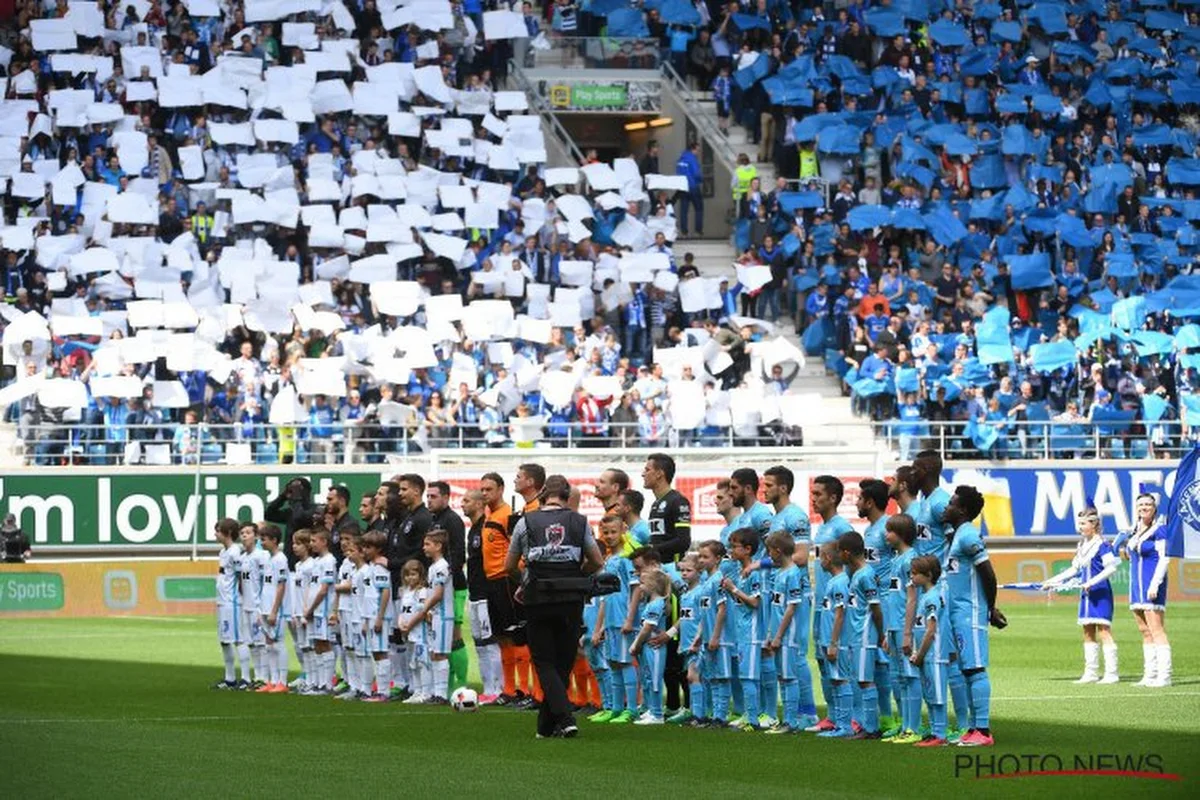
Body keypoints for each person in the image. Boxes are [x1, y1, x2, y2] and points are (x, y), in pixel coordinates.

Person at [505, 474, 605, 739]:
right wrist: (577, 576)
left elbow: (508, 566)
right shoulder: (579, 521)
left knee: (544, 661)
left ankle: (565, 718)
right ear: (567, 493)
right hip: (571, 598)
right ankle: (546, 726)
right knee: (563, 660)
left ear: (542, 494)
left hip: (538, 596)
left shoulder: (526, 521)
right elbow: (596, 560)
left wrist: (524, 582)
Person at [941, 485, 1006, 747]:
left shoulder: (968, 535)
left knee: (976, 669)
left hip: (970, 612)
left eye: (952, 503)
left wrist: (990, 608)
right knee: (967, 670)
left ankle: (984, 730)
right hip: (958, 613)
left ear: (963, 510)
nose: (947, 507)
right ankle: (972, 728)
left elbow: (988, 574)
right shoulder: (957, 535)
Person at [1043, 506, 1120, 684]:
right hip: (1086, 595)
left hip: (1099, 593)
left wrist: (1092, 583)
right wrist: (1053, 581)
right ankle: (1091, 672)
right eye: (1079, 523)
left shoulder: (1102, 544)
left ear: (1094, 524)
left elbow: (1111, 568)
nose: (1080, 527)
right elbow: (1074, 569)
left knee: (1104, 631)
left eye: (1083, 523)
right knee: (1087, 631)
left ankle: (1111, 673)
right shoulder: (1082, 545)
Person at [808, 474, 855, 732]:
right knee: (822, 659)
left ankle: (848, 718)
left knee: (838, 662)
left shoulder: (841, 528)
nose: (813, 499)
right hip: (820, 603)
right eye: (813, 494)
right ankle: (833, 715)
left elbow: (854, 560)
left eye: (818, 494)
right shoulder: (823, 529)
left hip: (835, 606)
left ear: (833, 498)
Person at [837, 531, 887, 739]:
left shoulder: (865, 575)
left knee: (866, 681)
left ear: (847, 553)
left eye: (840, 551)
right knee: (861, 680)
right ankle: (868, 726)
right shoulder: (857, 574)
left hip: (865, 635)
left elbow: (876, 608)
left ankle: (872, 729)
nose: (839, 555)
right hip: (857, 635)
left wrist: (881, 635)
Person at [1120, 492, 1172, 687]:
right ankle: (1149, 674)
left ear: (1154, 507)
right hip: (1136, 585)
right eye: (1140, 505)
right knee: (1144, 630)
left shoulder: (1160, 529)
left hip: (1151, 584)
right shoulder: (1135, 530)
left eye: (1147, 505)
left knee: (1156, 629)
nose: (1144, 508)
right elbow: (1129, 555)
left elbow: (1165, 558)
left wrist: (1155, 584)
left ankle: (1164, 675)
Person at [592, 514, 639, 725]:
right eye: (606, 532)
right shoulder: (609, 560)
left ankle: (631, 709)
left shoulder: (627, 559)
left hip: (622, 619)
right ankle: (616, 708)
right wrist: (599, 626)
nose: (609, 536)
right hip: (610, 619)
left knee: (625, 662)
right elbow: (604, 597)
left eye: (613, 532)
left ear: (623, 531)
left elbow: (636, 588)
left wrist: (630, 618)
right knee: (613, 664)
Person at [857, 478, 895, 729]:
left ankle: (899, 720)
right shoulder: (869, 531)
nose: (857, 502)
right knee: (880, 665)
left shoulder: (886, 529)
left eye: (860, 499)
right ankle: (885, 719)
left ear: (870, 502)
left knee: (888, 664)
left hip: (884, 603)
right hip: (872, 602)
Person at [883, 514, 922, 742]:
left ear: (901, 534)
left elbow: (912, 599)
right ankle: (905, 725)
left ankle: (913, 728)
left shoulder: (910, 560)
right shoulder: (897, 560)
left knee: (910, 676)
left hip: (905, 627)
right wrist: (889, 631)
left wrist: (907, 632)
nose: (886, 535)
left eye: (890, 531)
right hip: (894, 627)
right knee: (899, 678)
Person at [428, 481, 469, 693]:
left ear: (445, 497)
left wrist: (447, 582)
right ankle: (449, 681)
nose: (429, 500)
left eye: (433, 496)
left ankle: (461, 682)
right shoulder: (434, 520)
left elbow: (459, 555)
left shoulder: (452, 520)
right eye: (428, 496)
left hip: (454, 587)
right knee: (442, 636)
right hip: (440, 586)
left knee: (454, 634)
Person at [721, 527, 765, 731]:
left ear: (748, 549)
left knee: (748, 677)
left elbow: (755, 603)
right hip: (742, 630)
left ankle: (753, 719)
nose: (731, 550)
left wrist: (733, 589)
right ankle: (749, 714)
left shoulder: (754, 574)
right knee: (745, 675)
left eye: (735, 546)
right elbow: (741, 600)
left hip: (752, 632)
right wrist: (730, 591)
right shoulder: (741, 573)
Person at [463, 488, 504, 703]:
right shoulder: (473, 530)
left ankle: (498, 688)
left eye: (467, 500)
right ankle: (488, 687)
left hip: (486, 594)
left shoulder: (485, 527)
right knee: (479, 643)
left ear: (479, 504)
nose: (462, 504)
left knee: (490, 642)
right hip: (475, 594)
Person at [763, 532, 805, 734]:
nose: (768, 555)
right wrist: (771, 634)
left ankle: (791, 721)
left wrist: (779, 635)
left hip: (788, 635)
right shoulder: (780, 573)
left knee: (789, 677)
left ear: (778, 551)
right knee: (782, 676)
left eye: (769, 550)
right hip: (779, 633)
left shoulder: (793, 573)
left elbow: (791, 607)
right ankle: (787, 720)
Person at [909, 554, 951, 747]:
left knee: (937, 696)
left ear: (928, 575)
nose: (912, 577)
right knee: (930, 694)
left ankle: (940, 734)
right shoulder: (925, 596)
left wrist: (921, 653)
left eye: (915, 573)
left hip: (934, 655)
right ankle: (935, 731)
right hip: (927, 656)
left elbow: (931, 630)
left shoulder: (932, 597)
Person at [819, 541, 853, 738]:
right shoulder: (833, 581)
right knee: (835, 681)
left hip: (837, 642)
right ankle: (839, 724)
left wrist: (833, 642)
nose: (819, 560)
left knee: (841, 681)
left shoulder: (840, 582)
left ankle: (845, 726)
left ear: (828, 558)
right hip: (828, 639)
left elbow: (840, 614)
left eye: (821, 555)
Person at [629, 569, 671, 725]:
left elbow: (647, 628)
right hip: (647, 646)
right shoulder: (650, 603)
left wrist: (635, 644)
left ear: (653, 585)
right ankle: (652, 709)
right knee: (647, 678)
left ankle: (657, 714)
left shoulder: (657, 603)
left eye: (643, 583)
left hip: (654, 647)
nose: (640, 586)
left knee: (654, 679)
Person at [359, 531, 395, 702]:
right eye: (364, 547)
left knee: (381, 652)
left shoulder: (380, 568)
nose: (364, 550)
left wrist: (380, 617)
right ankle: (380, 690)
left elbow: (385, 591)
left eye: (368, 547)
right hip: (371, 616)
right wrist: (366, 620)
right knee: (376, 652)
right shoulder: (371, 567)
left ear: (378, 549)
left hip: (379, 617)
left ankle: (384, 691)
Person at [302, 529, 338, 695]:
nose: (311, 544)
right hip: (314, 610)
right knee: (317, 644)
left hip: (323, 609)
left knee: (325, 644)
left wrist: (311, 608)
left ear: (324, 541)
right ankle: (318, 682)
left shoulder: (329, 561)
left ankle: (327, 684)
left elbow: (324, 590)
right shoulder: (316, 561)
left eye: (314, 540)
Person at [672, 554, 706, 726]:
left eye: (688, 570)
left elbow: (704, 618)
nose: (684, 574)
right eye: (682, 570)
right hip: (687, 643)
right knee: (692, 677)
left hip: (697, 643)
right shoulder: (685, 592)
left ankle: (699, 715)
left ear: (699, 571)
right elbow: (685, 618)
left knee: (694, 677)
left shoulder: (701, 592)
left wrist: (697, 640)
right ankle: (697, 712)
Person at [257, 524, 290, 693]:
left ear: (274, 540)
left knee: (278, 643)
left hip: (275, 609)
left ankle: (282, 682)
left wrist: (274, 610)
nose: (261, 542)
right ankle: (272, 680)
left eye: (264, 539)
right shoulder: (268, 559)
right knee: (268, 644)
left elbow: (281, 586)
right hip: (265, 606)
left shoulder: (281, 559)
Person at [236, 521, 269, 689]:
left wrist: (263, 606)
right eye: (242, 533)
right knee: (252, 644)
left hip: (258, 606)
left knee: (261, 643)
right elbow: (241, 582)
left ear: (256, 536)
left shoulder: (261, 556)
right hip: (246, 606)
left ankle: (264, 677)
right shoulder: (242, 558)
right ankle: (256, 676)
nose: (244, 536)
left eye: (248, 533)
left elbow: (265, 582)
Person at [213, 518, 244, 690]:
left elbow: (240, 577)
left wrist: (240, 596)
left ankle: (245, 678)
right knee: (224, 640)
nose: (215, 534)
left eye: (218, 530)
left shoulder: (235, 552)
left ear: (228, 533)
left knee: (238, 639)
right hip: (222, 601)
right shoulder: (223, 552)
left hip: (232, 603)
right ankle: (230, 678)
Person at [397, 560, 431, 703]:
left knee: (422, 661)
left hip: (419, 632)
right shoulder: (405, 592)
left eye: (413, 574)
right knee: (413, 663)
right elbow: (402, 611)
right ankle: (417, 691)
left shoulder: (422, 592)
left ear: (420, 575)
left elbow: (422, 612)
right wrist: (400, 624)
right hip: (408, 633)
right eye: (407, 575)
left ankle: (426, 691)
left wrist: (410, 625)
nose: (410, 578)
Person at [265, 477, 314, 568]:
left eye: (295, 492)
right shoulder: (290, 513)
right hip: (290, 562)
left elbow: (299, 517)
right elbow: (268, 514)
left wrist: (297, 498)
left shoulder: (314, 510)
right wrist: (282, 497)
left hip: (308, 564)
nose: (292, 496)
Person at [290, 530, 316, 693]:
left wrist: (307, 610)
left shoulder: (311, 565)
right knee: (303, 646)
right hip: (298, 612)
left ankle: (315, 680)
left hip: (307, 612)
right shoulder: (298, 566)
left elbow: (311, 590)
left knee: (311, 647)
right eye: (293, 543)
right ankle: (307, 677)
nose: (294, 547)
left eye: (298, 544)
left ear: (307, 545)